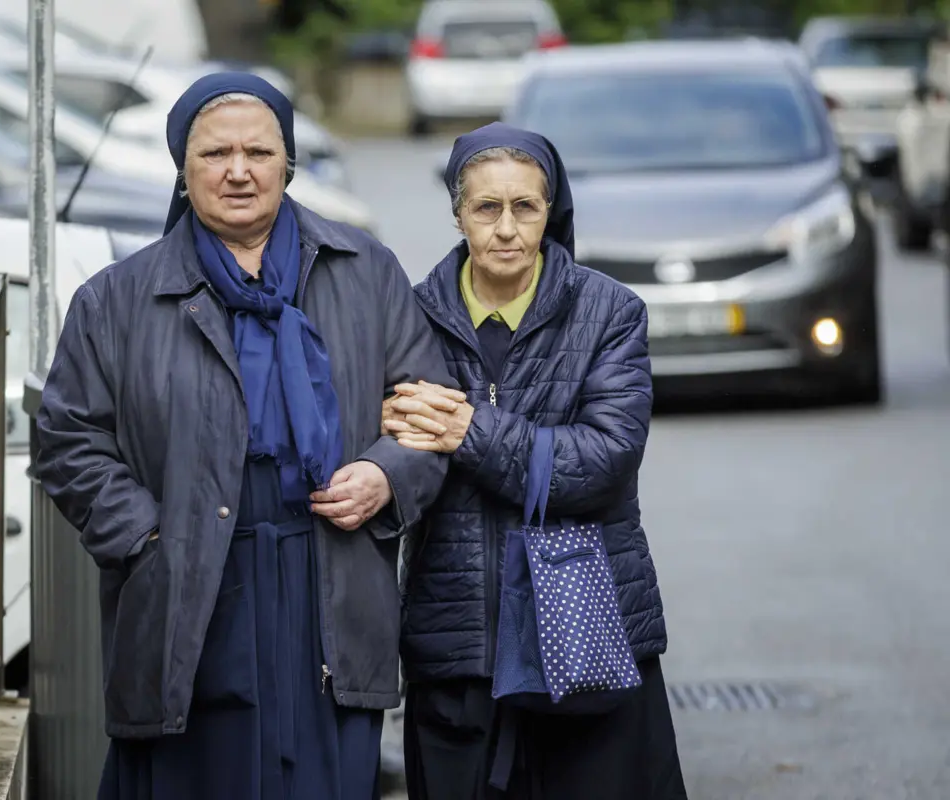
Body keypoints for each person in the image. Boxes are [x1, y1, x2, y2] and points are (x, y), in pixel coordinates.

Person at [34, 72, 456, 800]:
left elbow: (428, 412)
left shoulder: (365, 273)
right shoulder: (117, 299)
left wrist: (386, 475)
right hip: (189, 577)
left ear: (287, 163)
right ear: (182, 169)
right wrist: (147, 537)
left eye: (258, 153)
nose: (237, 171)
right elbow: (68, 440)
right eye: (214, 154)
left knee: (323, 776)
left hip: (328, 568)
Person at [384, 123, 688, 799]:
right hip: (456, 640)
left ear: (550, 211)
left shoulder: (608, 312)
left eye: (526, 206)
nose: (506, 228)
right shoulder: (410, 318)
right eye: (486, 208)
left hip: (589, 635)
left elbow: (605, 458)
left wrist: (469, 430)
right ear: (458, 211)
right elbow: (392, 452)